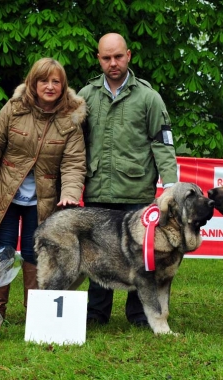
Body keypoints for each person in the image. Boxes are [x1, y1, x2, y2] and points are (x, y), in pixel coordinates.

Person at [0, 57, 87, 319]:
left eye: (56, 81)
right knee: (3, 250)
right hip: (6, 196)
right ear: (33, 83)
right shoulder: (13, 108)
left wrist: (69, 194)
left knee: (36, 252)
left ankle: (36, 314)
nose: (49, 86)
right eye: (43, 80)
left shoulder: (71, 120)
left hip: (44, 200)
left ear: (63, 85)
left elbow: (74, 163)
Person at [78, 33, 178, 327]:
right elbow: (74, 143)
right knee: (98, 255)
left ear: (129, 55)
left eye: (118, 56)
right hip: (97, 188)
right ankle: (96, 313)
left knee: (142, 257)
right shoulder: (85, 96)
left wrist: (170, 185)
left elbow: (163, 142)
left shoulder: (149, 97)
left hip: (138, 191)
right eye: (106, 58)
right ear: (98, 59)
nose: (113, 63)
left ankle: (139, 314)